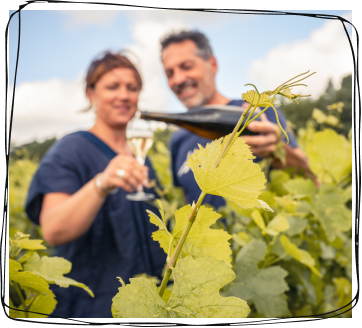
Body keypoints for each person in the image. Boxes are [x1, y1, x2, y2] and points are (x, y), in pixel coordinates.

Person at [25, 52, 166, 318]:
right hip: (93, 306)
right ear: (91, 94)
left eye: (132, 88)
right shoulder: (71, 150)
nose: (124, 95)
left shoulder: (140, 156)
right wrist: (100, 184)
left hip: (149, 304)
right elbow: (53, 229)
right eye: (113, 86)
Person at [160, 30, 312, 208]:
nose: (178, 79)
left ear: (213, 64)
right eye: (170, 73)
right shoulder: (178, 140)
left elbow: (309, 179)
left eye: (186, 67)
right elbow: (188, 201)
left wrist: (278, 150)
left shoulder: (255, 114)